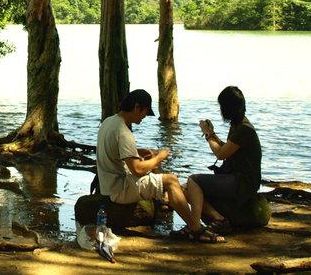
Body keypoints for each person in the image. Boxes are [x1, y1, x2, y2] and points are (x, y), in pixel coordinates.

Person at [97, 89, 224, 243]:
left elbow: (115, 149)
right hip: (120, 189)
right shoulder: (124, 132)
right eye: (144, 112)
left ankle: (164, 200)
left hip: (109, 184)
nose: (144, 116)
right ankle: (196, 229)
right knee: (171, 180)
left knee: (158, 170)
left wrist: (142, 152)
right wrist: (159, 157)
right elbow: (137, 170)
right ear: (137, 107)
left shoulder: (109, 122)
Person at [188, 86, 262, 235]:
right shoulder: (237, 125)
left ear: (228, 107)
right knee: (184, 189)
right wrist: (212, 134)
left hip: (243, 182)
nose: (220, 110)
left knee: (193, 180)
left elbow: (221, 154)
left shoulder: (244, 129)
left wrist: (208, 134)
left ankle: (195, 227)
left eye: (221, 106)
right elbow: (228, 149)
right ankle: (219, 218)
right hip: (234, 177)